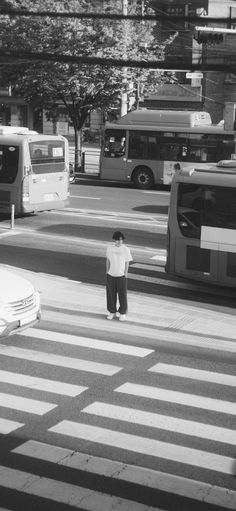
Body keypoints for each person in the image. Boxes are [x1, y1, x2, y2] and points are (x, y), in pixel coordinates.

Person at [106, 230, 133, 321]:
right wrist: (107, 271)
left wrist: (125, 273)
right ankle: (112, 312)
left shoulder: (126, 249)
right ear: (114, 240)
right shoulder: (110, 248)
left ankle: (122, 313)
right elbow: (108, 260)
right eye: (118, 240)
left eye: (121, 240)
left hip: (121, 276)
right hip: (111, 275)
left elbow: (127, 262)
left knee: (122, 295)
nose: (119, 242)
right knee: (110, 295)